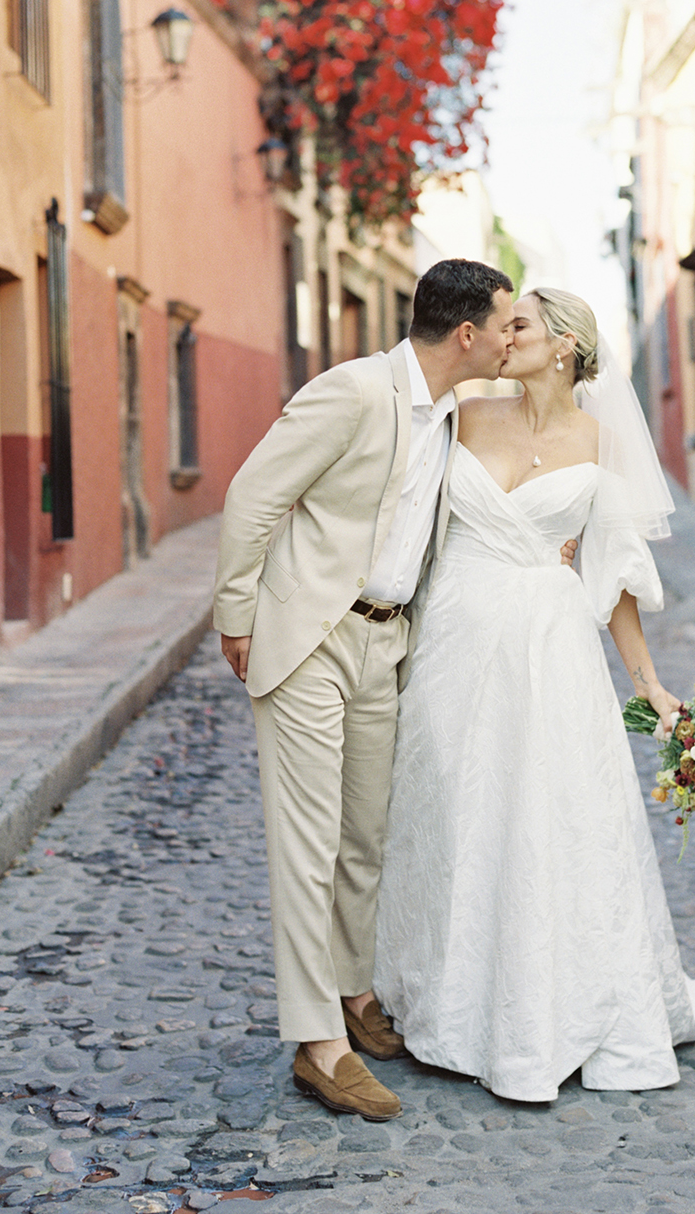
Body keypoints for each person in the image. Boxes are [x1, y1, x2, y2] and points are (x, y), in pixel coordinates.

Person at [375, 287, 695, 1101]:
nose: (501, 335)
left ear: (562, 344)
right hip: (454, 638)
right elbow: (404, 512)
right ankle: (448, 1002)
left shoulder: (600, 442)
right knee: (450, 810)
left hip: (552, 647)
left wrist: (649, 683)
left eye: (517, 324)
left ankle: (559, 1006)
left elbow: (618, 573)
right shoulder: (463, 414)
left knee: (554, 818)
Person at [213, 259, 519, 1123]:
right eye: (503, 324)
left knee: (364, 838)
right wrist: (237, 617)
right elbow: (251, 497)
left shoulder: (457, 414)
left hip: (386, 641)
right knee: (307, 847)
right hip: (310, 635)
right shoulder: (350, 393)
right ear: (466, 334)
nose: (508, 338)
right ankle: (318, 1047)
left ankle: (353, 993)